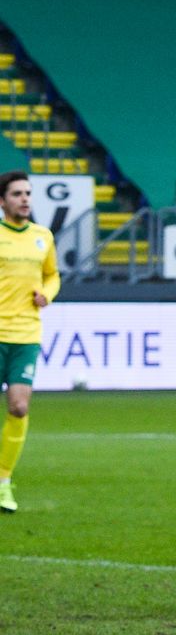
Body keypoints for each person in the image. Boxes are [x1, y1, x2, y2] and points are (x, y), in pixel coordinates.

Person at [0, 171, 59, 513]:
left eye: (28, 193)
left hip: (25, 335)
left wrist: (47, 294)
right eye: (17, 194)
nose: (25, 199)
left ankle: (4, 482)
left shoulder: (42, 237)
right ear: (3, 201)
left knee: (19, 407)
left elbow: (52, 274)